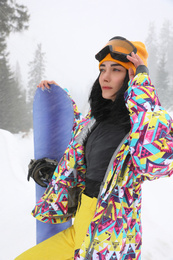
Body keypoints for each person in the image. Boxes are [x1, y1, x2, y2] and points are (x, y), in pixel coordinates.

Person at [15, 36, 173, 260]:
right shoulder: (98, 119)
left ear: (132, 77)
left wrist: (142, 83)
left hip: (109, 243)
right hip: (79, 231)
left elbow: (156, 162)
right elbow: (77, 137)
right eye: (102, 69)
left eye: (116, 70)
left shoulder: (140, 127)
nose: (105, 77)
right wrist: (59, 100)